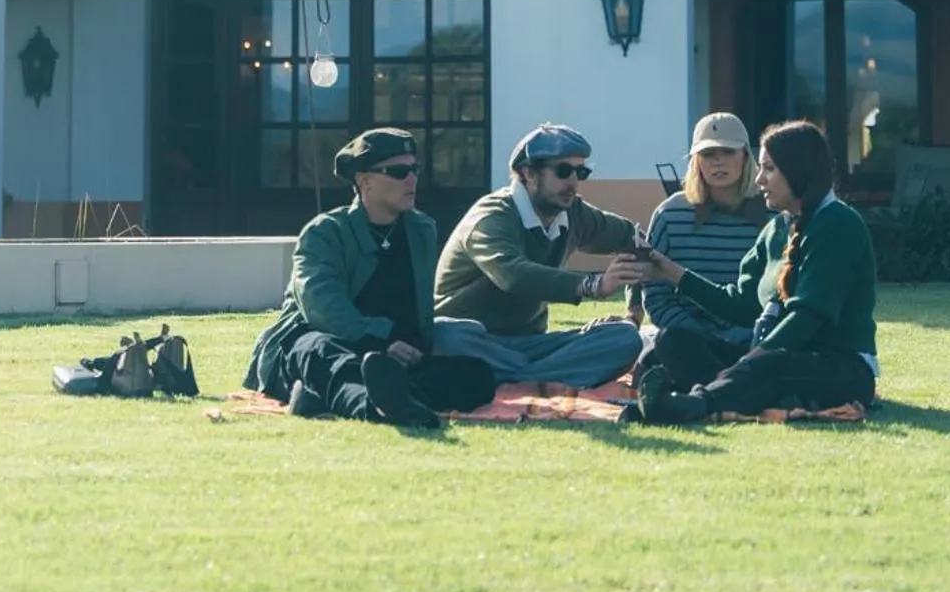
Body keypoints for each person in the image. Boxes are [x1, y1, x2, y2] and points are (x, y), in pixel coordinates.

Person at [627, 118, 878, 425]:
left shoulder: (838, 223)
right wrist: (671, 273)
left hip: (836, 366)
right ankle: (737, 392)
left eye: (768, 169)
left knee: (771, 365)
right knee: (673, 341)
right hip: (770, 358)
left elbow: (808, 317)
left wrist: (747, 363)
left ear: (798, 170)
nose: (759, 180)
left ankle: (691, 405)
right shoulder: (776, 229)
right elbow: (742, 304)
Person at [243, 128, 496, 428]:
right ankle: (372, 406)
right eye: (399, 172)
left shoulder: (421, 230)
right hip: (326, 340)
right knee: (320, 351)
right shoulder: (324, 232)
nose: (412, 179)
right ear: (364, 182)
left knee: (476, 374)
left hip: (390, 357)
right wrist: (379, 340)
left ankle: (338, 397)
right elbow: (321, 306)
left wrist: (408, 347)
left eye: (414, 169)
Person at [432, 123, 648, 386]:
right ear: (529, 173)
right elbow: (513, 274)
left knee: (623, 338)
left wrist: (634, 311)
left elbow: (634, 240)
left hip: (530, 345)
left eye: (581, 172)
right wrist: (592, 284)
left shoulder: (574, 213)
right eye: (563, 171)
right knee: (443, 335)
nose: (573, 182)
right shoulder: (493, 216)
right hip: (474, 340)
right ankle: (538, 377)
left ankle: (509, 378)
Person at [633, 111, 767, 390]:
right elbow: (656, 295)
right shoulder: (670, 214)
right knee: (670, 345)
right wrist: (698, 334)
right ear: (696, 162)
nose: (718, 161)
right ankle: (735, 385)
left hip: (752, 338)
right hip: (689, 336)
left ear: (745, 156)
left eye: (727, 151)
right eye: (707, 154)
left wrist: (742, 335)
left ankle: (720, 385)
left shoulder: (771, 214)